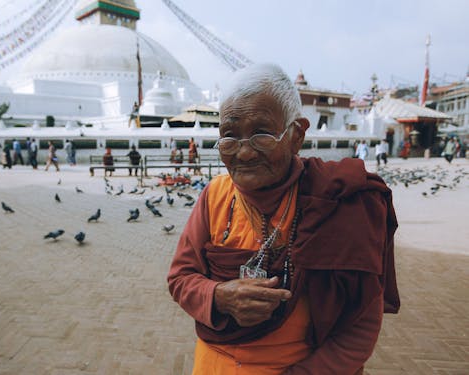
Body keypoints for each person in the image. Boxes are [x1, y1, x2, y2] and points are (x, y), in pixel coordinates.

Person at [168, 63, 399, 374]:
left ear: (296, 135)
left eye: (261, 134)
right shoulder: (215, 195)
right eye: (230, 137)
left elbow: (362, 322)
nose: (244, 153)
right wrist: (218, 296)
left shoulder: (339, 201)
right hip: (215, 364)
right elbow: (181, 278)